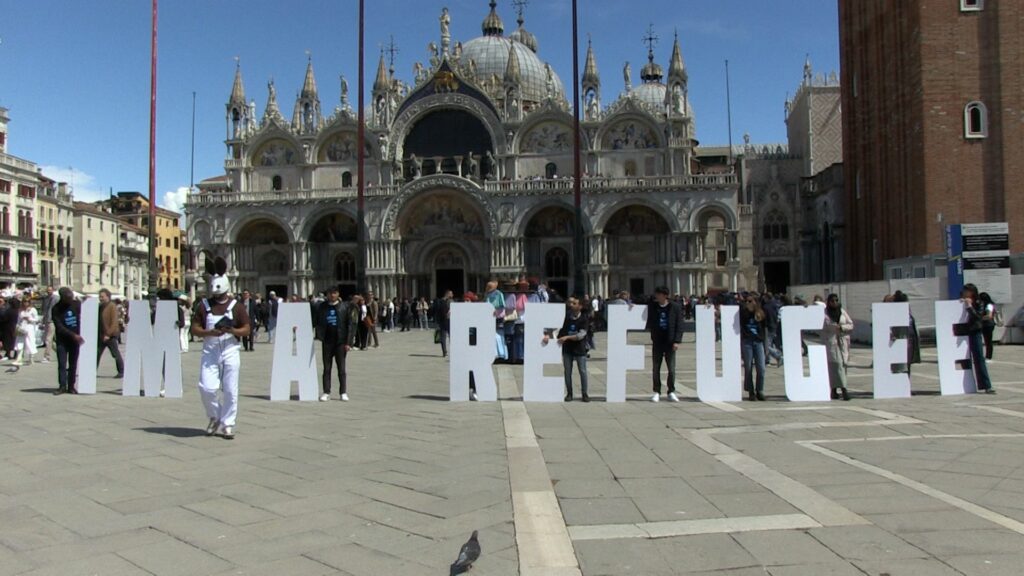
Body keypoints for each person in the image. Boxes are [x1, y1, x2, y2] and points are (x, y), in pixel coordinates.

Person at [191, 257, 250, 439]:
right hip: (210, 348)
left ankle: (227, 424)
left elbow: (246, 328)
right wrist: (209, 332)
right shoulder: (204, 305)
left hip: (230, 348)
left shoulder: (237, 306)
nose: (216, 296)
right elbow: (195, 328)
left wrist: (232, 330)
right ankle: (215, 416)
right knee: (206, 387)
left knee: (231, 389)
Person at [315, 287, 358, 402]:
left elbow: (350, 325)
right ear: (327, 294)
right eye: (330, 293)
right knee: (326, 368)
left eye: (334, 293)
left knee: (341, 369)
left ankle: (343, 392)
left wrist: (349, 342)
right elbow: (316, 320)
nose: (332, 295)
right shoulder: (322, 307)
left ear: (338, 294)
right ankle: (326, 392)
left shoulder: (345, 306)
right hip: (327, 341)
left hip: (340, 342)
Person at [545, 296, 590, 402]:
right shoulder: (566, 317)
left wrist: (567, 337)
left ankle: (585, 393)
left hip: (579, 348)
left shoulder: (584, 319)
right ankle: (569, 393)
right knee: (567, 371)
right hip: (567, 348)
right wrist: (548, 335)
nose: (571, 305)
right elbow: (559, 329)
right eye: (571, 303)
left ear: (580, 306)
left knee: (582, 371)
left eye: (575, 303)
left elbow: (581, 335)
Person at [646, 286, 684, 402]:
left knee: (671, 369)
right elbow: (640, 307)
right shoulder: (653, 306)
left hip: (670, 342)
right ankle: (656, 391)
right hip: (657, 341)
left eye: (658, 294)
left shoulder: (675, 307)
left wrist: (677, 341)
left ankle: (671, 391)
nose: (656, 296)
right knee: (656, 368)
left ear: (664, 295)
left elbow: (680, 325)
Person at [962, 283, 994, 393]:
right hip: (962, 333)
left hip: (974, 331)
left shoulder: (978, 302)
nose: (965, 293)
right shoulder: (960, 301)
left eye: (967, 291)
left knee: (979, 358)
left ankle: (986, 385)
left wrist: (970, 307)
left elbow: (978, 317)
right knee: (963, 360)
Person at [52, 287, 84, 394]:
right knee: (62, 363)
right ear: (62, 297)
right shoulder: (56, 308)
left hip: (75, 340)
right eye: (68, 298)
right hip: (63, 340)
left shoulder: (77, 304)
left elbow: (85, 317)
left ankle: (71, 386)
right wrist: (73, 335)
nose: (70, 299)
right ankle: (62, 385)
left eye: (71, 296)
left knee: (73, 364)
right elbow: (59, 327)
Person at [822, 294, 854, 400]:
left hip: (843, 342)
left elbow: (851, 324)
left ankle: (834, 390)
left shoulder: (842, 311)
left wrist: (842, 327)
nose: (834, 302)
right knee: (836, 365)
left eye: (836, 300)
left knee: (842, 365)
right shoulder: (824, 313)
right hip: (832, 342)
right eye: (832, 300)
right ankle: (844, 390)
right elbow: (821, 328)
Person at [740, 294, 767, 401]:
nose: (747, 303)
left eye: (750, 301)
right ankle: (751, 391)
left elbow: (765, 328)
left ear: (755, 302)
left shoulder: (760, 313)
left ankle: (759, 389)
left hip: (758, 342)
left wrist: (765, 343)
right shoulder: (743, 312)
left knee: (761, 368)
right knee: (748, 367)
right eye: (746, 301)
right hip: (747, 342)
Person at [96, 288, 124, 378]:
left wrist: (108, 334)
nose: (100, 298)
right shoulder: (100, 306)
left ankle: (121, 371)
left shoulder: (112, 306)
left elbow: (114, 322)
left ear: (108, 296)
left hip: (110, 335)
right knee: (97, 354)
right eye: (100, 296)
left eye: (102, 296)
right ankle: (92, 370)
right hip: (101, 334)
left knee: (115, 353)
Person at [891, 290, 921, 374]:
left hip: (909, 340)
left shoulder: (908, 311)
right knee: (900, 366)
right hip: (901, 340)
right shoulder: (895, 312)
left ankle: (906, 382)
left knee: (907, 365)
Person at [13, 297, 39, 366]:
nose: (26, 303)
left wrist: (30, 319)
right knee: (19, 341)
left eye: (27, 301)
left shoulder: (32, 310)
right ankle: (19, 358)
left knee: (30, 342)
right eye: (24, 301)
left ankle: (31, 358)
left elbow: (37, 319)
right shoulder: (20, 310)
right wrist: (17, 327)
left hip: (29, 327)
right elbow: (18, 319)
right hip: (22, 327)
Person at [40, 286, 57, 363]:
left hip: (52, 320)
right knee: (49, 339)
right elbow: (43, 310)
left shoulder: (56, 298)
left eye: (50, 290)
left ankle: (47, 356)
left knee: (48, 339)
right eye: (48, 290)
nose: (49, 291)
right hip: (47, 320)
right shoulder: (45, 298)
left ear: (53, 290)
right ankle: (60, 351)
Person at [433, 290, 452, 357]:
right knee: (446, 337)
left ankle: (445, 352)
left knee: (445, 337)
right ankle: (446, 351)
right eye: (451, 294)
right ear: (447, 294)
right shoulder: (443, 302)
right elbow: (443, 313)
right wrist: (448, 314)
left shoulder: (443, 302)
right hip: (445, 322)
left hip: (444, 322)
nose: (452, 295)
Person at [979, 292, 997, 360]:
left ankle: (989, 356)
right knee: (986, 341)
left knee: (988, 341)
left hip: (988, 325)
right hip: (985, 324)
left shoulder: (989, 305)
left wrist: (979, 318)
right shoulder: (985, 305)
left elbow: (989, 316)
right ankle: (986, 356)